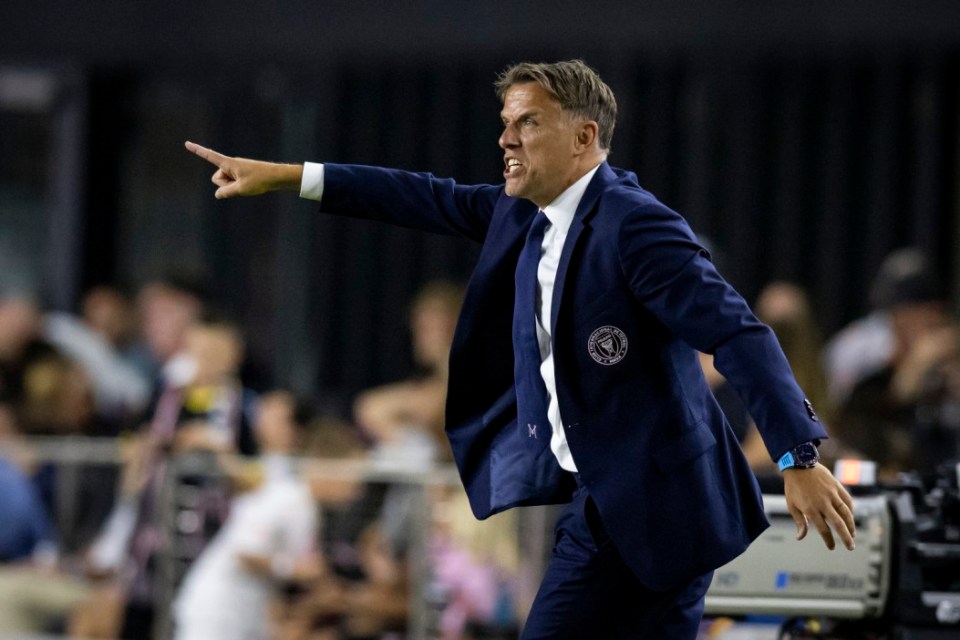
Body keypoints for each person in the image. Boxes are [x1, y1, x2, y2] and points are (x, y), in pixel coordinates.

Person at [186, 59, 856, 639]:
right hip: (607, 504)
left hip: (663, 505)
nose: (506, 138)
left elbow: (740, 333)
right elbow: (420, 195)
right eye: (506, 122)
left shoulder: (638, 226)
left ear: (584, 136)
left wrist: (798, 455)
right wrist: (292, 176)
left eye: (528, 122)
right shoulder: (521, 210)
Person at [172, 390, 320, 640]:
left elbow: (301, 565)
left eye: (275, 417)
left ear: (296, 431)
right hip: (217, 607)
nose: (263, 421)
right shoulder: (262, 473)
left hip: (242, 612)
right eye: (263, 413)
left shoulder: (295, 488)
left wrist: (219, 447)